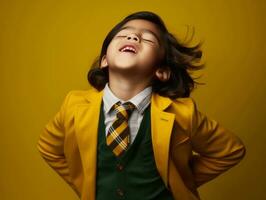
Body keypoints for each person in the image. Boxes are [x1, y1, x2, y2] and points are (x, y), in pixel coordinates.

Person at [37, 11, 246, 200]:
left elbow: (230, 151)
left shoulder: (183, 113)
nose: (133, 36)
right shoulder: (74, 105)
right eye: (123, 34)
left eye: (148, 38)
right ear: (104, 61)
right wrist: (84, 181)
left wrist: (179, 180)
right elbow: (48, 147)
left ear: (161, 71)